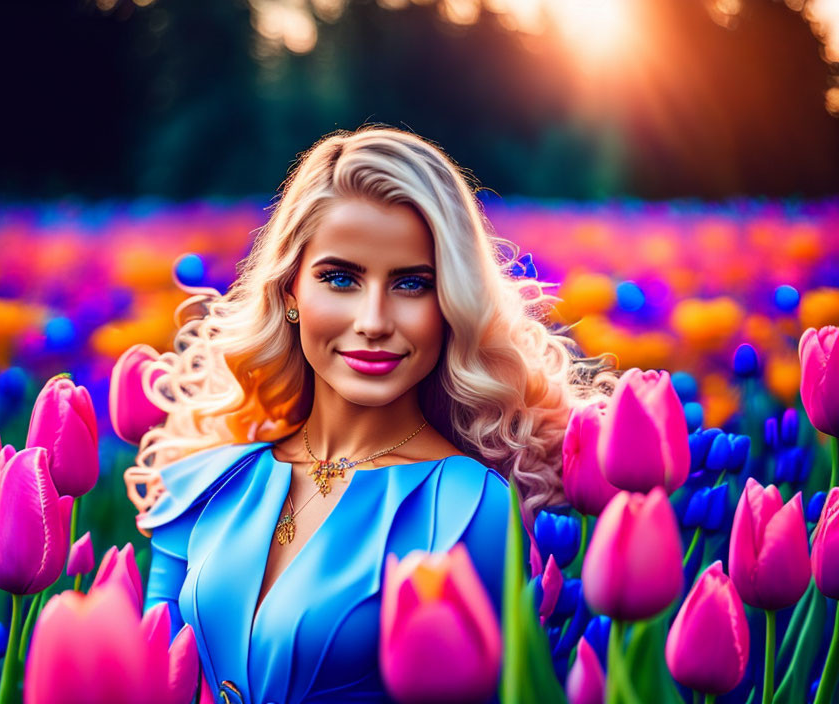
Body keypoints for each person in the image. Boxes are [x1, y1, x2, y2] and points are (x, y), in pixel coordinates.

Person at [126, 126, 615, 704]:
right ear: (289, 292)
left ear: (450, 307)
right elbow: (147, 680)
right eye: (340, 278)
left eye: (412, 284)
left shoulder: (469, 507)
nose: (374, 320)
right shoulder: (206, 484)